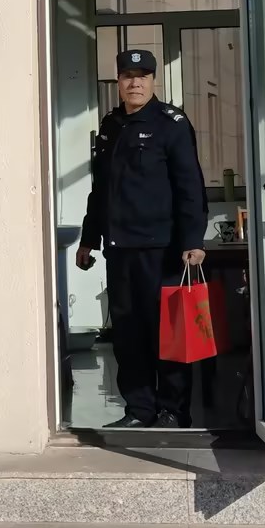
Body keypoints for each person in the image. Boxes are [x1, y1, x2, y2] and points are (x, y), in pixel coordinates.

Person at [78, 48, 209, 429]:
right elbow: (100, 190)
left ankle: (173, 411)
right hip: (120, 249)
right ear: (118, 82)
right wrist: (89, 239)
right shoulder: (111, 126)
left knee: (168, 332)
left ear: (153, 81)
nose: (135, 83)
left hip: (162, 249)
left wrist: (193, 240)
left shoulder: (172, 124)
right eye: (128, 77)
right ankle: (139, 409)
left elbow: (190, 187)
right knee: (128, 334)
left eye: (143, 77)